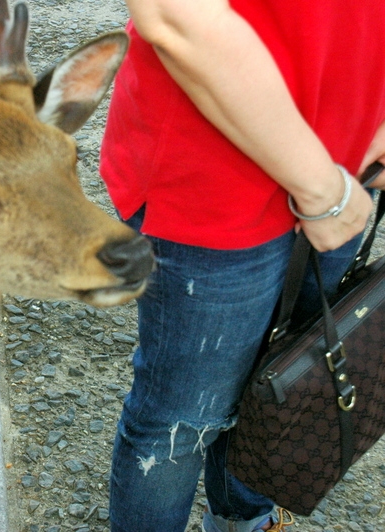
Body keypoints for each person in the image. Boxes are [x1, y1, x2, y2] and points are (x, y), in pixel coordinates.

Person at [98, 1, 385, 531]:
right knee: (180, 424)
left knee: (290, 380)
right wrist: (321, 190)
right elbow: (177, 16)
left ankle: (243, 521)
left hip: (350, 156)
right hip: (212, 175)